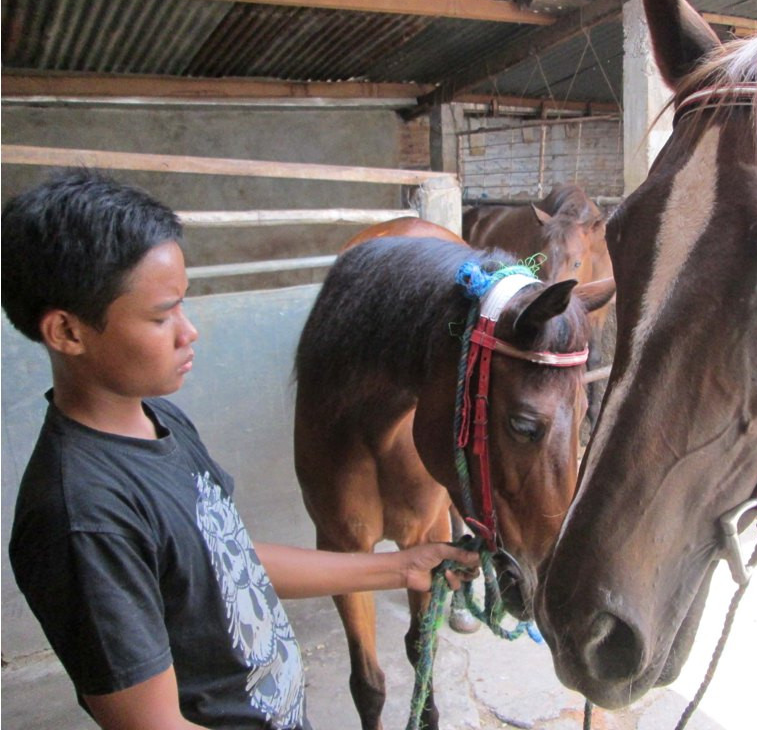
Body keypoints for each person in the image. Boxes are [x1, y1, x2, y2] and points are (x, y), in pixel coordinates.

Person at [1, 169, 479, 730]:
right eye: (161, 316)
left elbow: (222, 560)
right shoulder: (83, 522)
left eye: (183, 305)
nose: (189, 331)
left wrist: (400, 568)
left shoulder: (159, 421)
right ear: (67, 333)